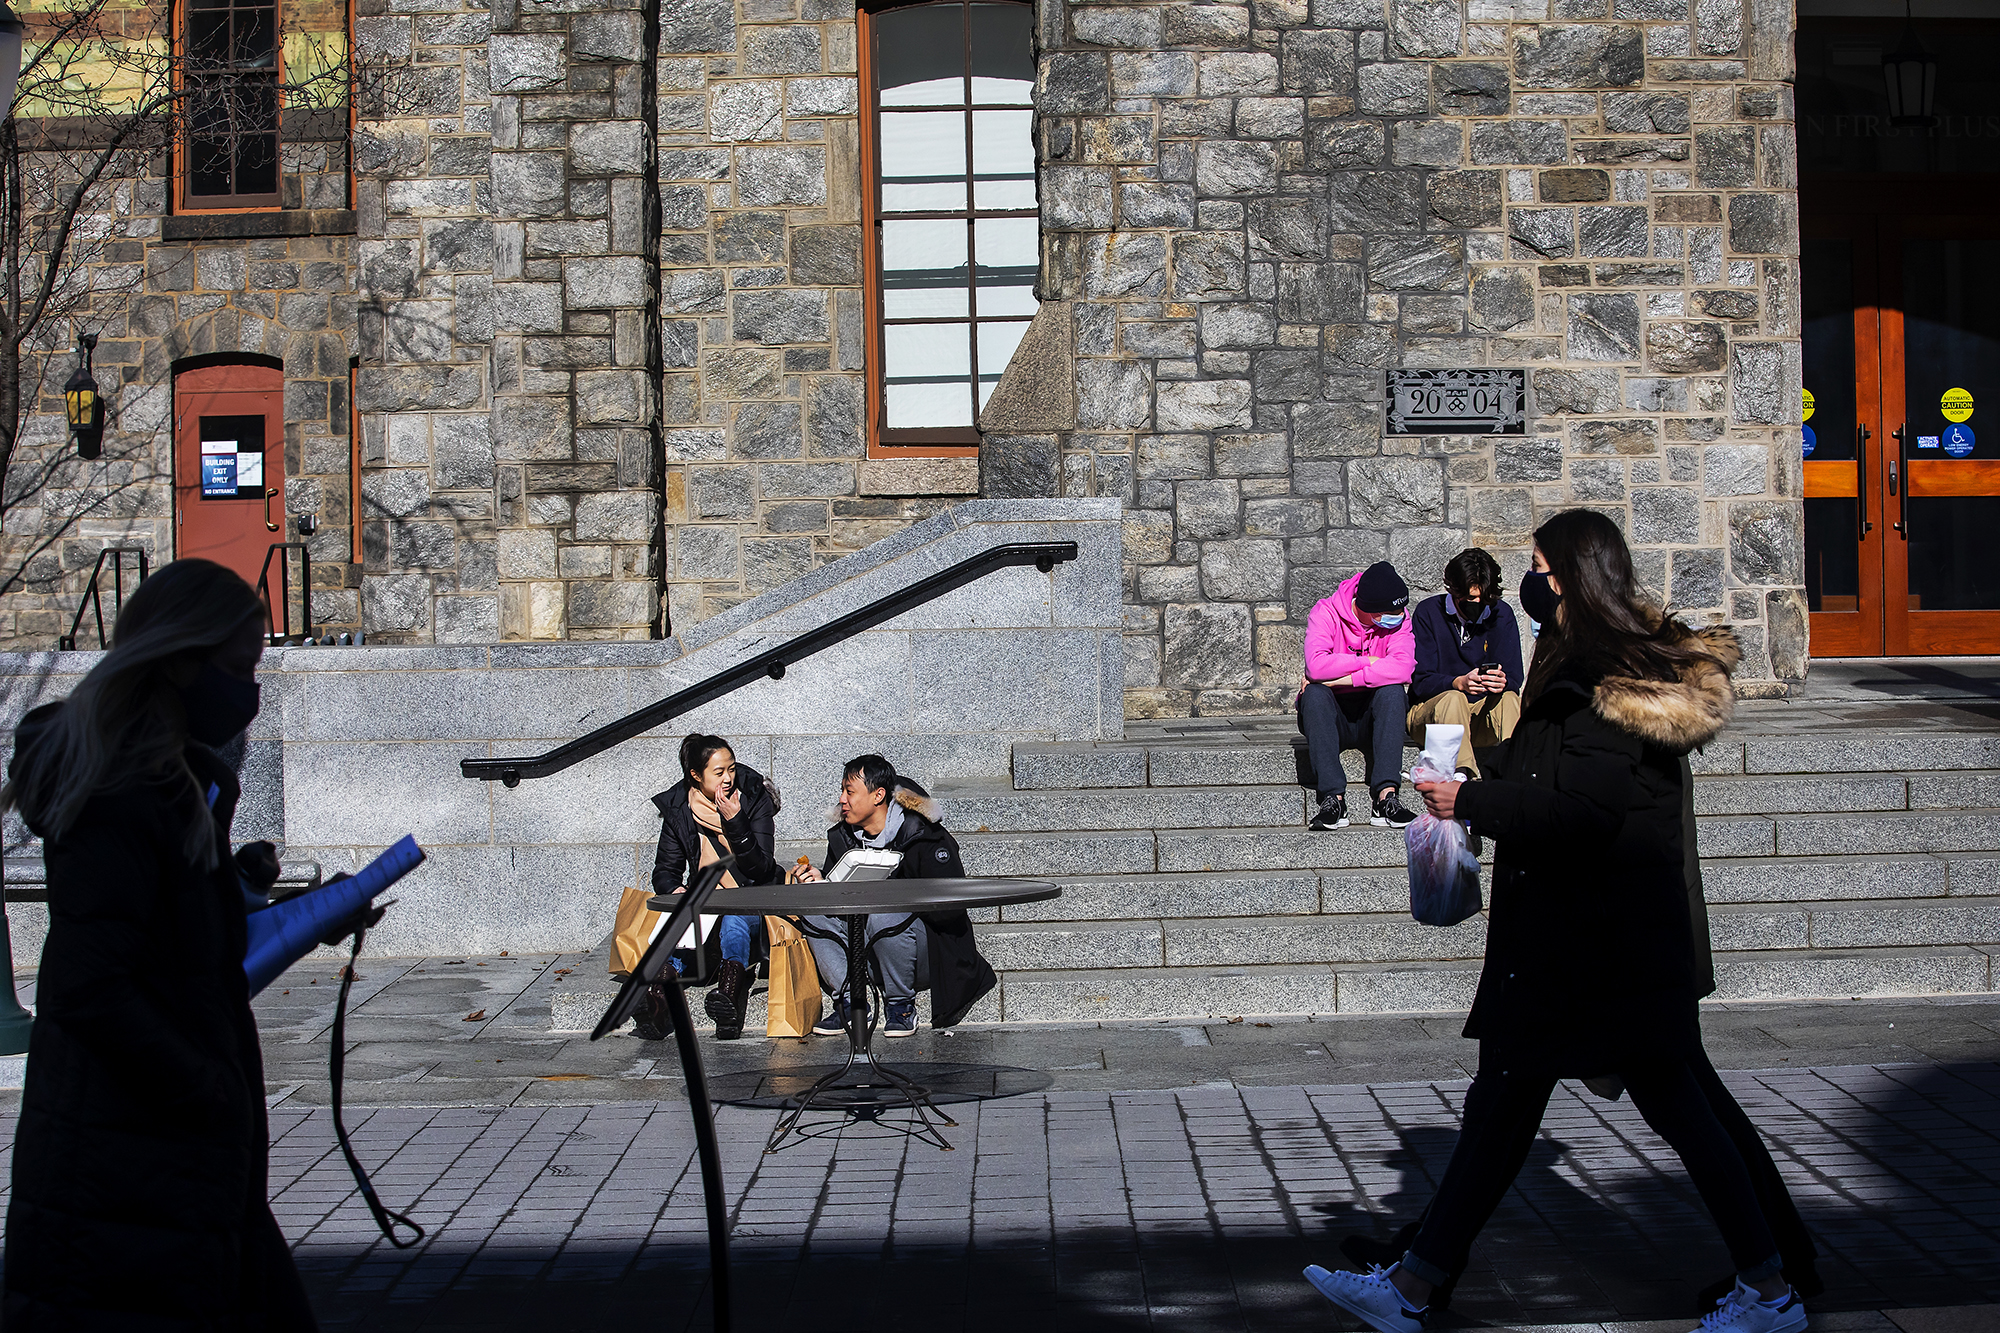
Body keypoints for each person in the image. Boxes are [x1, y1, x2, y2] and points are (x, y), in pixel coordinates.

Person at [1304, 509, 1809, 1333]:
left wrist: (1470, 797)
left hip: (1602, 945)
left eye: (1539, 563)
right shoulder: (1576, 663)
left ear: (1571, 576)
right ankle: (1414, 1285)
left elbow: (1586, 811)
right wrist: (1476, 772)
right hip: (1576, 943)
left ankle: (1771, 1288)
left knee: (1670, 1110)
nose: (1527, 577)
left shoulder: (1602, 678)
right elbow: (1553, 772)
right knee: (1507, 1111)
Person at [1, 559, 318, 1330]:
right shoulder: (123, 787)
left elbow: (165, 946)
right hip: (124, 1166)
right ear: (179, 659)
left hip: (164, 1164)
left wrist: (231, 888)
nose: (247, 695)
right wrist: (201, 1085)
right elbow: (91, 985)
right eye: (239, 669)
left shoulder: (174, 781)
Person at [794, 755, 995, 1039]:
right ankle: (853, 1003)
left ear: (878, 795)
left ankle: (900, 1006)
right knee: (812, 907)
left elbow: (950, 908)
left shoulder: (923, 835)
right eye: (842, 791)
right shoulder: (843, 838)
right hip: (865, 952)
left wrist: (893, 889)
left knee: (883, 909)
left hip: (924, 954)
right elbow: (837, 902)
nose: (842, 800)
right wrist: (824, 882)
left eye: (849, 792)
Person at [649, 733, 782, 1040]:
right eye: (719, 772)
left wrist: (735, 821)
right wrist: (675, 891)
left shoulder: (751, 796)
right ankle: (657, 998)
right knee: (681, 920)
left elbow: (761, 867)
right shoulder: (679, 808)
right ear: (696, 775)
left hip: (752, 898)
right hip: (705, 902)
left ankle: (728, 998)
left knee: (734, 920)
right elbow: (665, 872)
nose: (728, 779)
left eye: (731, 769)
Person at [1297, 560, 1420, 830]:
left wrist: (1345, 677)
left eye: (1400, 609)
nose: (1398, 616)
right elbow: (1316, 666)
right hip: (1331, 716)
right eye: (1390, 612)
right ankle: (1333, 799)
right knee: (1314, 694)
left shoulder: (1400, 619)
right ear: (1368, 609)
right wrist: (1370, 661)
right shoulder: (1326, 612)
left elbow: (1404, 667)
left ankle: (1386, 798)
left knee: (1392, 692)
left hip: (1373, 716)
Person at [1406, 547, 1524, 780]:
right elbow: (1420, 681)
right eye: (1471, 599)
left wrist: (1502, 681)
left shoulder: (1501, 614)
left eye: (1484, 599)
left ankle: (1517, 772)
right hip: (1433, 717)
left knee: (1510, 699)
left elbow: (1514, 677)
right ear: (1455, 591)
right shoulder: (1428, 612)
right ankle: (1461, 775)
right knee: (1453, 697)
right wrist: (1458, 682)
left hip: (1480, 717)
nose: (1478, 604)